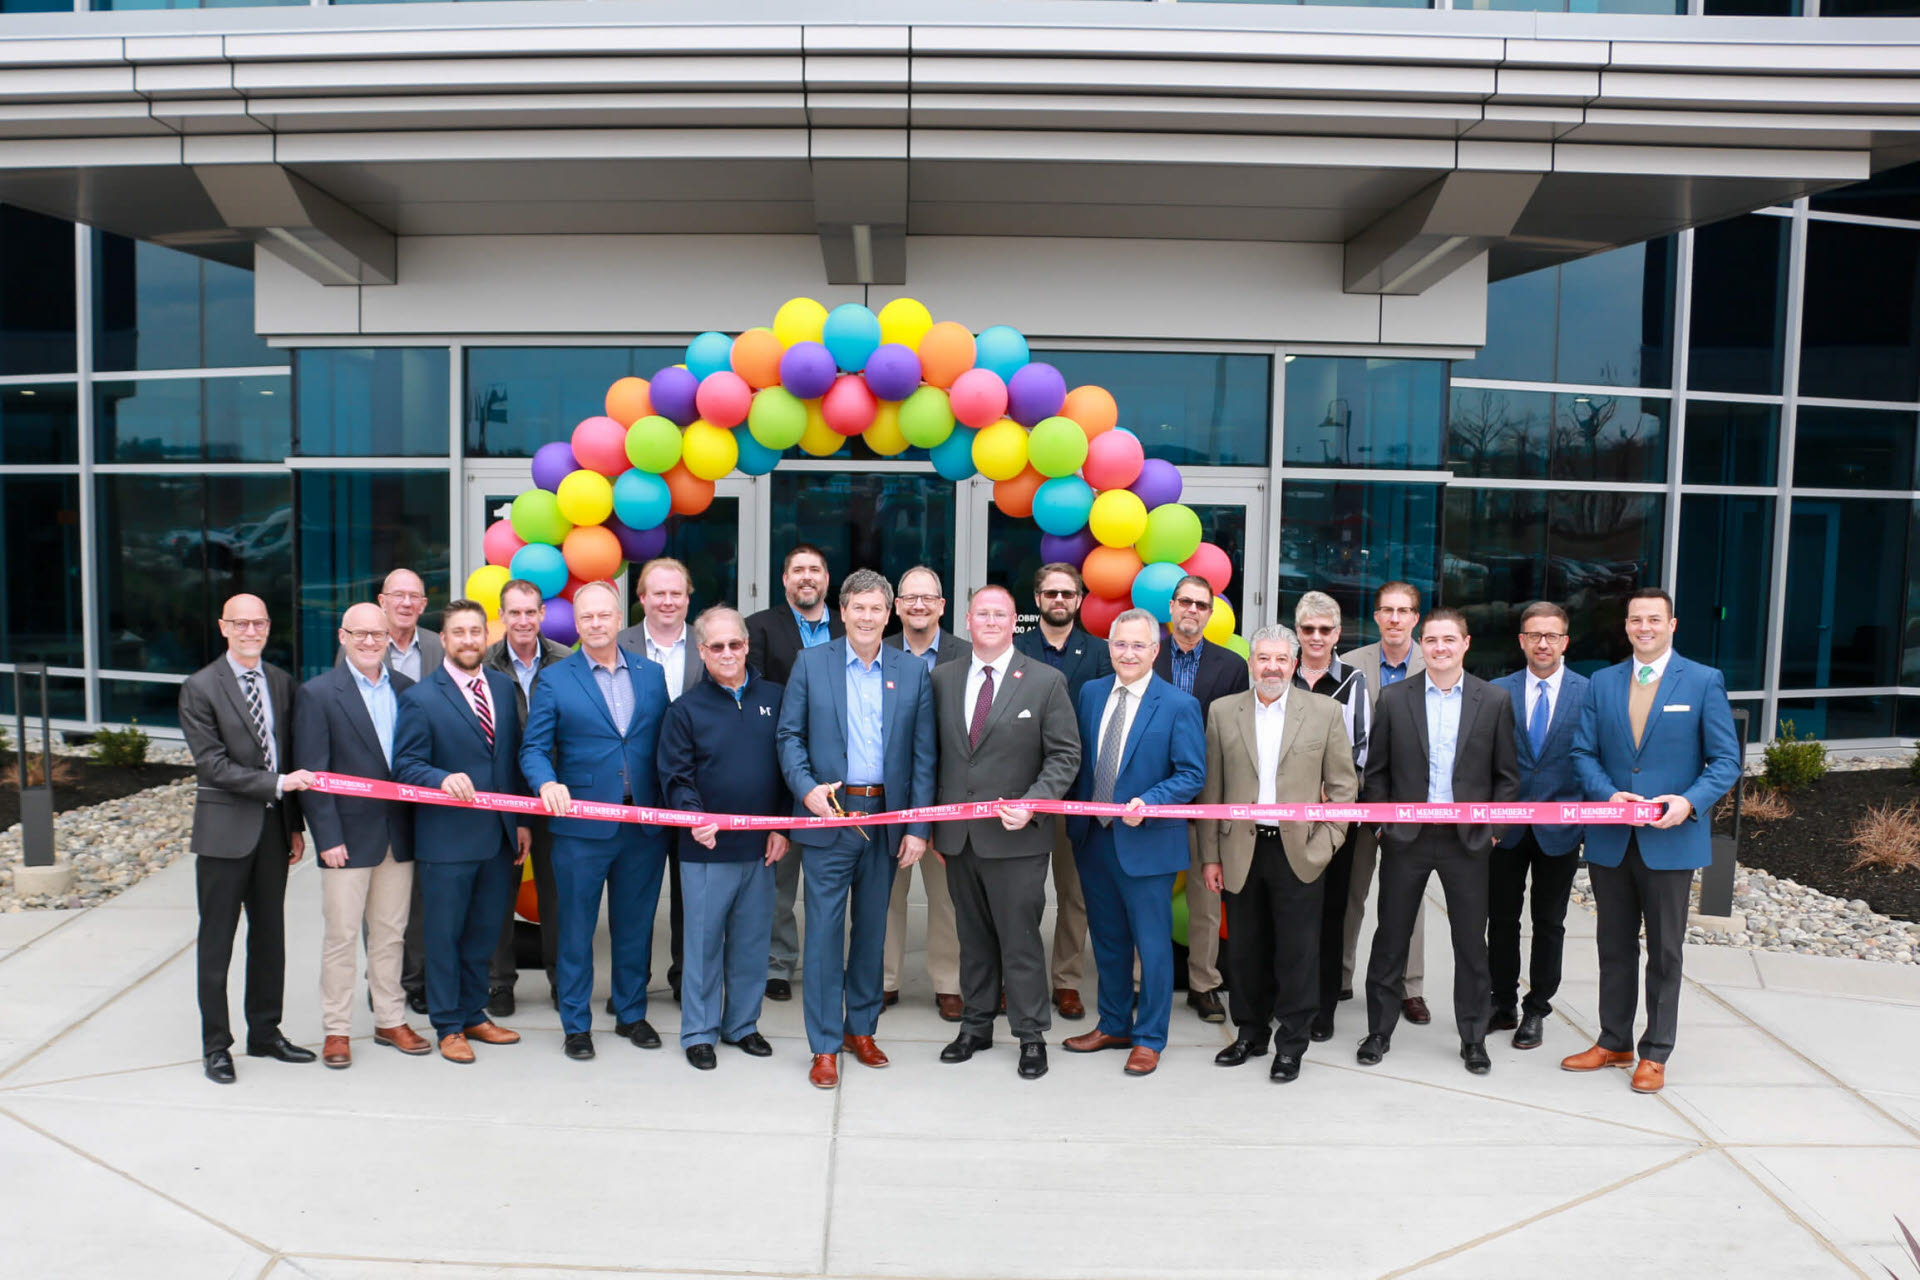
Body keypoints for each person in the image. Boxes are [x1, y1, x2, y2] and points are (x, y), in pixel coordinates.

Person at [1564, 588, 1739, 1094]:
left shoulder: (1704, 681)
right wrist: (1605, 793)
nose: (1645, 627)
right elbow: (1582, 753)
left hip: (1671, 841)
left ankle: (1655, 1052)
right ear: (1626, 626)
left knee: (1664, 951)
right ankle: (1613, 1040)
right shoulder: (1602, 681)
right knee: (1613, 946)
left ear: (1672, 625)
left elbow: (1725, 761)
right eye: (1636, 619)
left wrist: (1688, 802)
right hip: (1613, 839)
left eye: (1654, 620)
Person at [775, 569, 936, 1090]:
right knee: (823, 935)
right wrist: (806, 790)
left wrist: (916, 824)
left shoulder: (911, 672)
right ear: (841, 612)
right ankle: (824, 1044)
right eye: (857, 607)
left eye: (875, 608)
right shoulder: (810, 663)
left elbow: (922, 756)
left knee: (872, 932)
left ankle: (860, 1029)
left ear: (888, 614)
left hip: (886, 821)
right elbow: (789, 737)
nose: (867, 617)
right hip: (830, 818)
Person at [1356, 607, 1519, 1076]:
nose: (1440, 648)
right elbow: (1378, 773)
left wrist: (1493, 833)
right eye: (1431, 640)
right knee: (1390, 939)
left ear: (1466, 644)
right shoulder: (1393, 697)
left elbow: (1507, 778)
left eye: (1449, 639)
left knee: (1471, 943)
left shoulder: (1494, 701)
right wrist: (1383, 827)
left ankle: (1472, 1036)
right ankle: (1379, 1030)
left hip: (1467, 843)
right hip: (1405, 839)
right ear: (1420, 645)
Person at [931, 585, 1080, 1081]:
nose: (991, 620)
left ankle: (1031, 1034)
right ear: (968, 620)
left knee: (1019, 940)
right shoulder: (943, 678)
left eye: (1001, 613)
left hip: (1018, 839)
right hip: (958, 837)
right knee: (971, 937)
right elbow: (935, 757)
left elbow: (1065, 755)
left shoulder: (1045, 681)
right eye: (982, 613)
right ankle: (975, 1026)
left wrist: (1033, 803)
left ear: (1015, 620)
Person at [520, 579, 673, 1062]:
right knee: (576, 929)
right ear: (577, 623)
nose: (595, 624)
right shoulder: (556, 678)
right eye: (586, 617)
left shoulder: (651, 675)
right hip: (579, 829)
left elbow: (664, 745)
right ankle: (576, 1024)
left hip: (642, 826)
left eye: (604, 615)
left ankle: (630, 1013)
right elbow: (534, 747)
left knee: (635, 926)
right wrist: (545, 782)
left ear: (618, 618)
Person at [1199, 625, 1358, 1083]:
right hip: (1239, 849)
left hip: (1300, 852)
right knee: (1244, 951)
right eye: (1263, 658)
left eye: (1280, 659)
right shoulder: (1223, 711)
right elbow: (1213, 791)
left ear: (1293, 664)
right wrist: (1211, 856)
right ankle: (1250, 1033)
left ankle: (1291, 1042)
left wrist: (1326, 842)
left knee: (1297, 953)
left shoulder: (1326, 712)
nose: (1271, 667)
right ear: (1252, 663)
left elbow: (1345, 787)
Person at [178, 593, 317, 1084]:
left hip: (273, 832)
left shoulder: (281, 682)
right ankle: (216, 1045)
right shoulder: (200, 688)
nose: (251, 631)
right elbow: (212, 765)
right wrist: (278, 787)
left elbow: (290, 754)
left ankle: (265, 1032)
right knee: (217, 943)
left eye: (258, 623)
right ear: (223, 627)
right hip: (223, 834)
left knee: (269, 939)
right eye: (241, 624)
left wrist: (294, 823)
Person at [1063, 609, 1206, 1077]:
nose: (1128, 653)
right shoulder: (1090, 693)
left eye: (1138, 646)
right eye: (1120, 644)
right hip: (1094, 839)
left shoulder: (1178, 705)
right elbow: (1080, 761)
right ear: (1110, 646)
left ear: (1155, 650)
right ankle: (1113, 1024)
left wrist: (1151, 799)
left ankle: (1149, 1038)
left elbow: (1192, 774)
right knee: (1107, 941)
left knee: (1152, 945)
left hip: (1146, 844)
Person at [392, 599, 531, 1064]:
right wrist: (439, 779)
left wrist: (522, 821)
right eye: (459, 632)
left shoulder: (501, 685)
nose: (469, 640)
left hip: (498, 837)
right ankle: (448, 1025)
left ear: (485, 635)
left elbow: (509, 761)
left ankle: (475, 1013)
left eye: (476, 631)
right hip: (447, 839)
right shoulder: (420, 697)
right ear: (445, 639)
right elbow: (405, 765)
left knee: (484, 933)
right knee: (444, 935)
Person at [293, 603, 426, 1069]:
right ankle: (337, 1029)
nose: (370, 641)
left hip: (400, 835)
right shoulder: (318, 694)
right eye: (360, 634)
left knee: (392, 934)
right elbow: (313, 773)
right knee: (342, 937)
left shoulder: (409, 690)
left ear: (390, 637)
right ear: (342, 637)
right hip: (346, 840)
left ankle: (390, 1019)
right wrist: (326, 836)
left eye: (378, 634)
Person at [656, 607, 790, 1070]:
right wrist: (692, 817)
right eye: (717, 646)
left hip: (762, 850)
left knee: (753, 943)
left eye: (735, 644)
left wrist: (781, 825)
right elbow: (675, 776)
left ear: (747, 645)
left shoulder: (776, 696)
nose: (728, 653)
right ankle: (698, 1031)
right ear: (702, 651)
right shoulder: (685, 709)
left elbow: (787, 769)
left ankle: (742, 1025)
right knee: (703, 945)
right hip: (705, 849)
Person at [338, 567, 441, 1015]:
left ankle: (414, 979)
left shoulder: (438, 646)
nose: (405, 603)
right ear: (382, 601)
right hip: (373, 796)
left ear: (422, 604)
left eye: (414, 596)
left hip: (426, 786)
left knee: (417, 893)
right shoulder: (360, 645)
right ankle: (381, 979)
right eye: (396, 595)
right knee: (376, 896)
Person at [1488, 602, 1590, 1052]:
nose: (1543, 643)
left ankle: (1537, 1009)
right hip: (1505, 830)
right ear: (1522, 641)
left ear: (1565, 641)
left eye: (1551, 635)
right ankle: (1502, 1002)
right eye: (1534, 635)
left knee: (1549, 923)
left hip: (1561, 830)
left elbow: (1596, 759)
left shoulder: (1589, 694)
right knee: (1502, 920)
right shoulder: (1494, 692)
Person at [1012, 562, 1112, 1022]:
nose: (1059, 600)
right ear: (1037, 600)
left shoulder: (1101, 654)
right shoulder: (1015, 650)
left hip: (1079, 794)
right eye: (1050, 593)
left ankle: (1066, 981)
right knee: (1021, 895)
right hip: (1024, 792)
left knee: (1074, 895)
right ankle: (1016, 978)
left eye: (1067, 594)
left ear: (1079, 600)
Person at [746, 544, 845, 1003]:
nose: (807, 577)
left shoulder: (852, 625)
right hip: (779, 771)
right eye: (797, 570)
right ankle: (778, 964)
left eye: (815, 570)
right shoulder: (760, 628)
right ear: (784, 579)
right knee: (780, 879)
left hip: (842, 774)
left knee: (835, 880)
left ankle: (833, 962)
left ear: (828, 578)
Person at [1150, 574, 1248, 1024]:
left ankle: (1204, 984)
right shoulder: (1145, 657)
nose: (1192, 610)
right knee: (1146, 896)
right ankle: (1139, 982)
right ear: (1171, 607)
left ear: (1211, 613)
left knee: (1207, 902)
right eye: (1184, 602)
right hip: (1151, 797)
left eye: (1201, 605)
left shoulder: (1231, 666)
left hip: (1206, 799)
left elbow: (1233, 737)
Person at [1340, 580, 1433, 1027]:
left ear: (1416, 617)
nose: (1395, 619)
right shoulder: (1350, 665)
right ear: (1376, 616)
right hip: (1357, 802)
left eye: (1404, 611)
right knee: (1349, 893)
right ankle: (1340, 974)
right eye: (1386, 610)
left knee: (1407, 900)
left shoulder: (1433, 662)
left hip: (1411, 806)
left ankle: (1409, 987)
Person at [881, 564, 972, 1013]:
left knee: (947, 900)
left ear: (942, 605)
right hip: (889, 802)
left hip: (948, 800)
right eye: (909, 598)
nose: (918, 605)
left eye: (927, 598)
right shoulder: (877, 650)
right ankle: (884, 980)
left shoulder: (967, 655)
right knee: (885, 896)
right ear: (896, 606)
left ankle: (949, 984)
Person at [482, 579, 571, 1014]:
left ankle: (561, 980)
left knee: (558, 893)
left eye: (529, 612)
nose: (522, 620)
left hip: (556, 793)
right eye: (513, 612)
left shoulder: (566, 661)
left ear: (541, 615)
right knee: (499, 891)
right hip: (501, 796)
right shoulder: (483, 664)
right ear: (502, 616)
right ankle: (499, 983)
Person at [617, 556, 701, 1002]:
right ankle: (630, 986)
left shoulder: (711, 643)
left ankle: (687, 979)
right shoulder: (617, 643)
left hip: (696, 793)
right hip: (638, 794)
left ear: (688, 598)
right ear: (642, 597)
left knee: (693, 895)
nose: (668, 601)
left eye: (676, 593)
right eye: (658, 593)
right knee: (636, 897)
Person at [1289, 591, 1370, 1043]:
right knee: (1290, 909)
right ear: (1297, 632)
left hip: (1336, 822)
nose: (1316, 637)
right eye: (1308, 629)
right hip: (1287, 821)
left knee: (1330, 911)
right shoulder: (1282, 675)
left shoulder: (1353, 682)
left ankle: (1322, 1008)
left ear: (1338, 634)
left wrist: (1331, 792)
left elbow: (1361, 749)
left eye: (1325, 629)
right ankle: (1288, 997)